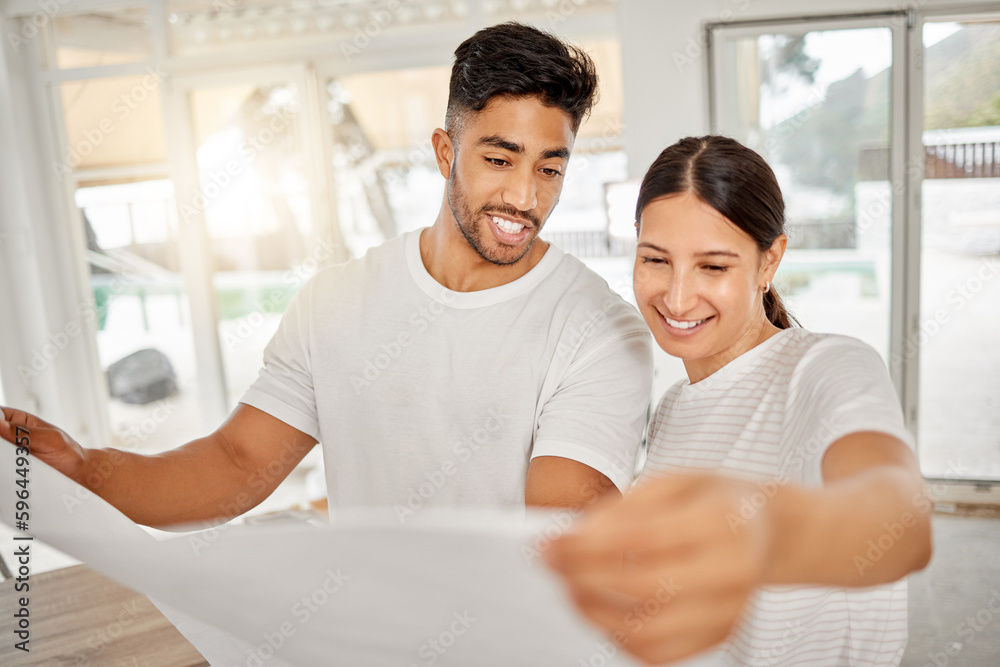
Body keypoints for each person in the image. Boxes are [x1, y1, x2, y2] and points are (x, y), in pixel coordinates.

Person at [0, 23, 652, 527]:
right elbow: (237, 463)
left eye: (549, 168)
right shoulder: (336, 302)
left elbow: (563, 519)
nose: (525, 197)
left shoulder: (599, 328)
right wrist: (86, 470)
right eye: (500, 158)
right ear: (444, 151)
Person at [545, 136, 932, 666]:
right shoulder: (674, 409)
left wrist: (765, 532)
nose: (677, 298)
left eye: (713, 267)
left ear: (769, 260)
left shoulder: (828, 366)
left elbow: (901, 521)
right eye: (656, 259)